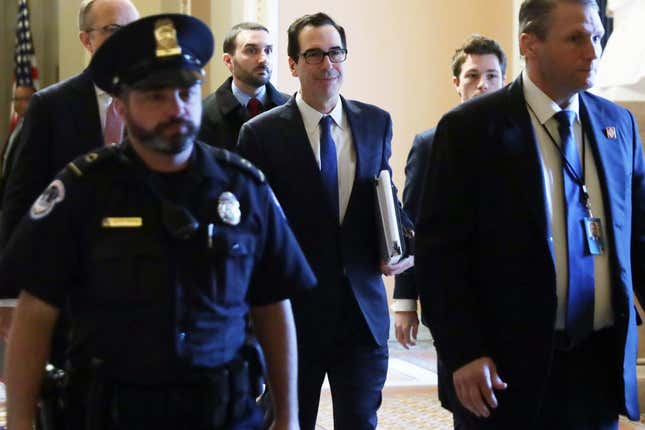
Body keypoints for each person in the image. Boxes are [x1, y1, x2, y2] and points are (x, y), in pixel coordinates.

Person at [2, 13, 315, 430]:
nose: (176, 108)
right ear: (123, 103)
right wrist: (21, 421)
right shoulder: (82, 189)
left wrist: (289, 418)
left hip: (221, 413)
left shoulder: (243, 187)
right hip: (109, 413)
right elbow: (34, 314)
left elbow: (273, 304)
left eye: (186, 92)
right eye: (155, 95)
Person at [415, 0, 645, 429]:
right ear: (530, 44)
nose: (593, 51)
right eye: (576, 38)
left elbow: (641, 235)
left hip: (597, 364)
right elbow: (439, 255)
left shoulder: (618, 125)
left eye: (597, 37)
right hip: (503, 371)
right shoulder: (469, 130)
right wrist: (463, 352)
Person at [237, 12, 413, 430]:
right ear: (294, 64)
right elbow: (251, 228)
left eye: (335, 53)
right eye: (313, 55)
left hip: (362, 315)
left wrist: (401, 244)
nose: (327, 64)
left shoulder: (375, 122)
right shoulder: (260, 134)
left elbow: (386, 198)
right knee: (287, 422)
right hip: (292, 318)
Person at [393, 34, 507, 349]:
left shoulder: (523, 140)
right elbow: (411, 221)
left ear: (504, 81)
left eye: (491, 76)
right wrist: (405, 300)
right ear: (457, 82)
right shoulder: (430, 144)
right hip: (452, 296)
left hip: (512, 294)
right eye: (472, 75)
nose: (482, 84)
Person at [199, 22, 288, 150]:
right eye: (251, 50)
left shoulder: (291, 109)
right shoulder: (203, 114)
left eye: (268, 50)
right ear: (228, 61)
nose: (263, 59)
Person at [0, 85, 35, 209]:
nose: (20, 103)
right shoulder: (18, 124)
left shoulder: (34, 127)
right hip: (9, 190)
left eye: (25, 99)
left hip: (23, 195)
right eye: (17, 99)